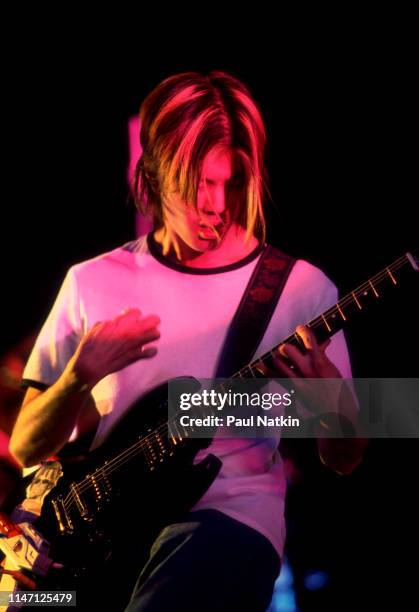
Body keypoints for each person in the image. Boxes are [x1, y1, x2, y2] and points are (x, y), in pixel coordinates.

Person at [9, 71, 367, 611]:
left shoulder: (300, 289)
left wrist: (335, 406)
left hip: (227, 521)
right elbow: (25, 446)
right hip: (91, 547)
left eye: (230, 182)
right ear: (153, 171)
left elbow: (347, 457)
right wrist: (79, 377)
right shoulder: (92, 281)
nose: (217, 204)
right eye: (199, 182)